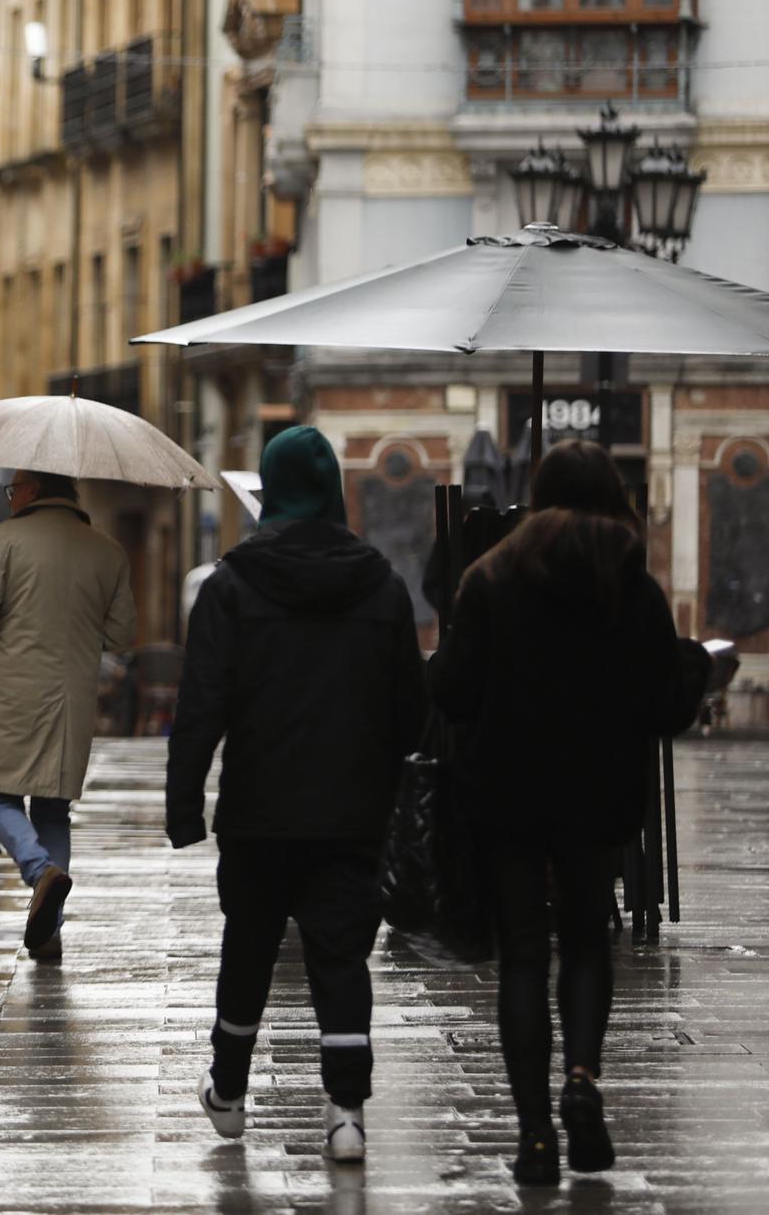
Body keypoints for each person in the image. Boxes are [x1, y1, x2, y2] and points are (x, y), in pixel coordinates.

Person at [430, 440, 707, 1187]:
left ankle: (534, 1139)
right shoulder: (632, 586)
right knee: (585, 940)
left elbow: (451, 692)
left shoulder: (490, 578)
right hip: (598, 792)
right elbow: (666, 706)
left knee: (523, 951)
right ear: (613, 498)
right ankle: (582, 1078)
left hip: (510, 794)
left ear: (537, 493)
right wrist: (696, 666)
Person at [166, 425, 425, 1165]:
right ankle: (345, 1110)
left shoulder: (230, 587)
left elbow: (202, 705)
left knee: (247, 948)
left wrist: (184, 806)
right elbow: (411, 710)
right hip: (352, 811)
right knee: (341, 957)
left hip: (258, 810)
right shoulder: (381, 585)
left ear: (270, 492)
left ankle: (229, 1091)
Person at [0, 470, 135, 961]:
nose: (10, 499)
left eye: (13, 490)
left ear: (32, 490)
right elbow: (122, 634)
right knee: (53, 806)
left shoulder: (5, 540)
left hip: (6, 693)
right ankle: (49, 932)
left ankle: (40, 872)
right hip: (71, 698)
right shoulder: (107, 551)